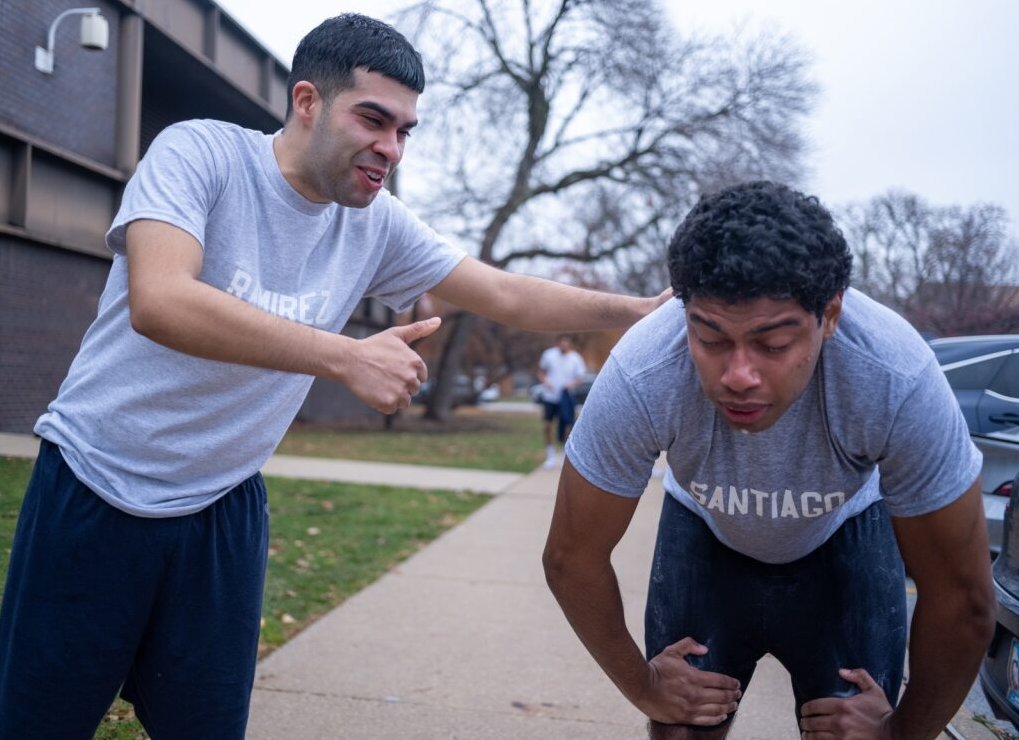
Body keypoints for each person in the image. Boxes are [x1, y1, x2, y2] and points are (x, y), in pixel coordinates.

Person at [0, 14, 666, 739]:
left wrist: (640, 311)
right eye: (374, 119)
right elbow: (161, 302)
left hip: (221, 508)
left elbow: (503, 293)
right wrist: (344, 355)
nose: (391, 148)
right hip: (97, 483)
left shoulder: (376, 223)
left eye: (406, 130)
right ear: (308, 102)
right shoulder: (200, 153)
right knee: (40, 722)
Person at [542, 181, 995, 739]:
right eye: (710, 337)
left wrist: (901, 735)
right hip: (706, 534)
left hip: (845, 534)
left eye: (773, 344)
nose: (739, 375)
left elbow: (964, 598)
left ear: (828, 316)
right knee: (681, 724)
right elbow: (571, 557)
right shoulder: (644, 370)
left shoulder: (894, 377)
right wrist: (644, 685)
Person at [536, 334, 587, 468]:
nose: (564, 345)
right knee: (547, 425)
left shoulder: (575, 358)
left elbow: (580, 377)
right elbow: (541, 372)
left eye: (567, 343)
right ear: (558, 343)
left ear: (569, 344)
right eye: (562, 343)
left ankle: (566, 454)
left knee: (568, 425)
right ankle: (550, 455)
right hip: (550, 396)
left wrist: (572, 384)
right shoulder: (548, 355)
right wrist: (545, 382)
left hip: (566, 397)